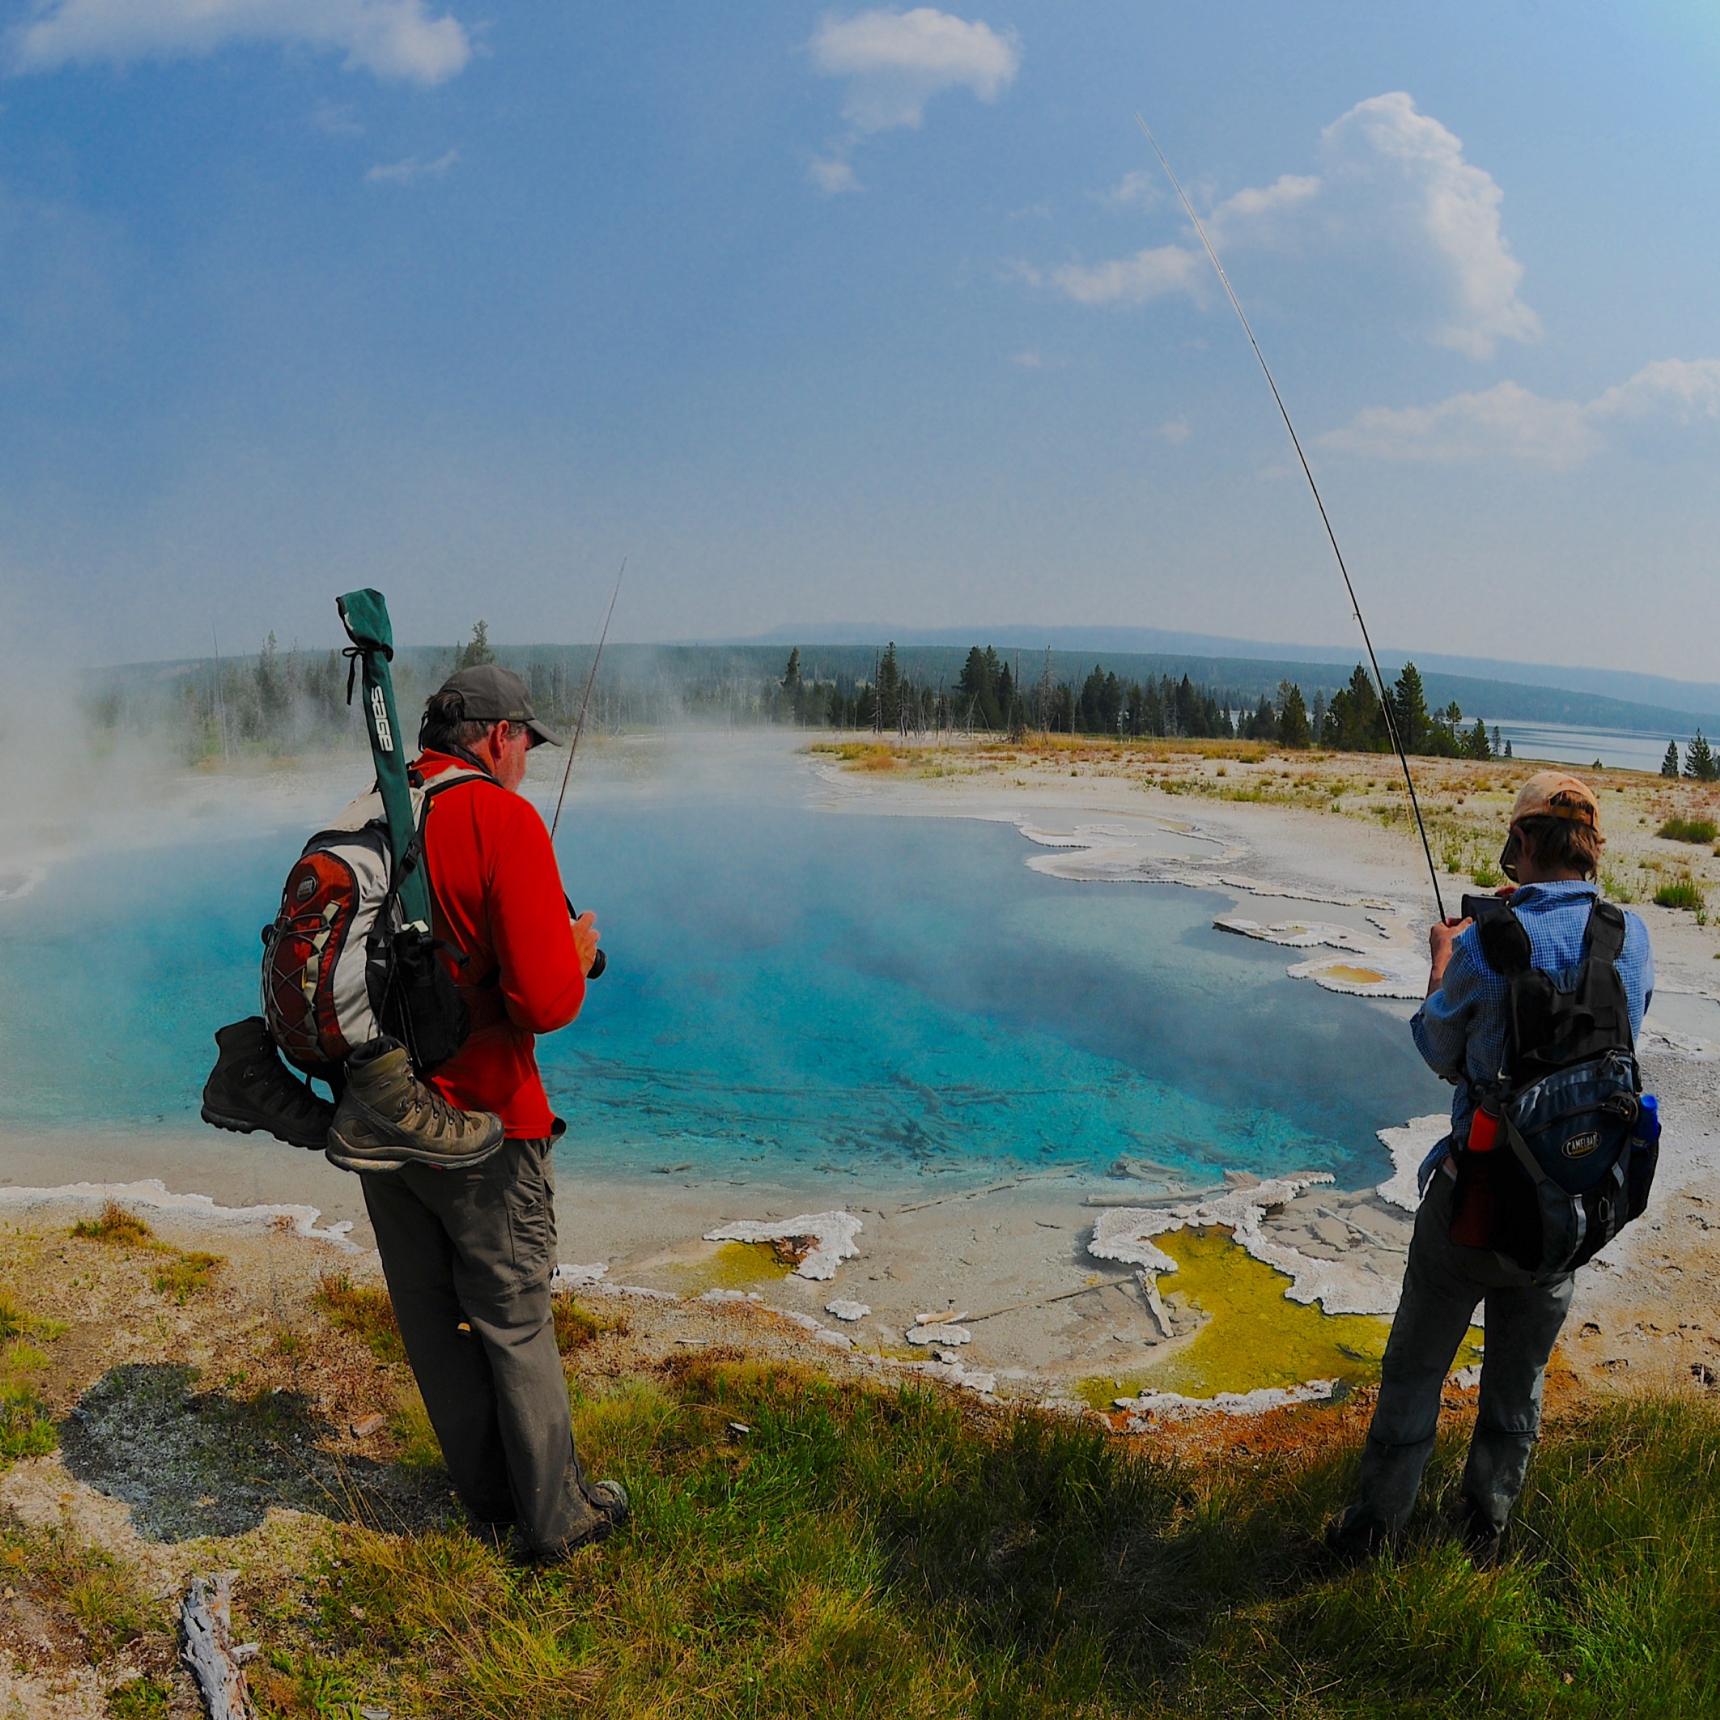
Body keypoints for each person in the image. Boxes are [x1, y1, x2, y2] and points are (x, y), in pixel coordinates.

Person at [1330, 770, 1653, 1564]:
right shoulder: (1629, 936)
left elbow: (1439, 1049)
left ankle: (1373, 1533)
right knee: (1520, 1378)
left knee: (1415, 1366)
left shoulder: (1480, 946)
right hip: (1572, 1203)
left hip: (1474, 1201)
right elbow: (1623, 1031)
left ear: (1523, 843)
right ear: (1591, 845)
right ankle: (1485, 1528)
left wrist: (1444, 957)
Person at [350, 663, 628, 1560]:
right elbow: (543, 1002)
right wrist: (577, 951)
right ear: (500, 736)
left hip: (384, 1117)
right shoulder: (502, 820)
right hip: (486, 1123)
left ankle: (485, 1497)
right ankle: (556, 1521)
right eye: (525, 747)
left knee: (431, 1319)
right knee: (513, 1316)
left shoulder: (377, 812)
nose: (527, 765)